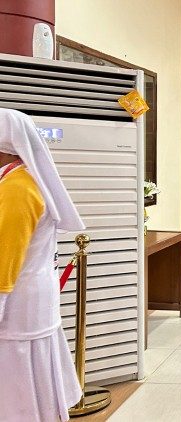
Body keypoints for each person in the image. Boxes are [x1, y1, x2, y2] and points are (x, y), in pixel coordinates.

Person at [0, 108, 85, 421]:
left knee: (16, 389)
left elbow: (5, 257)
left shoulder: (18, 189)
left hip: (16, 301)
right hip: (31, 296)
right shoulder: (19, 179)